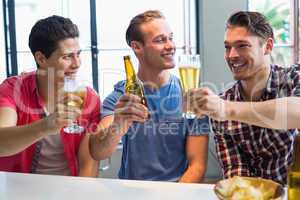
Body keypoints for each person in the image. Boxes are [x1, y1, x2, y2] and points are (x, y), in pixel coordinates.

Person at [89, 10, 210, 183]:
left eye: (171, 37)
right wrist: (118, 125)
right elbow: (97, 151)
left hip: (177, 192)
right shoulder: (120, 97)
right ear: (137, 47)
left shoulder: (190, 96)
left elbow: (197, 166)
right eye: (161, 40)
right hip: (131, 192)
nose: (170, 45)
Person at [186, 11, 300, 185]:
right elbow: (235, 174)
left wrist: (225, 109)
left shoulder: (293, 78)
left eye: (242, 46)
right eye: (227, 47)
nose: (231, 55)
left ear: (268, 46)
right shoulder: (221, 106)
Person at [0, 15, 100, 177]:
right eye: (67, 56)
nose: (77, 64)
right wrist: (48, 125)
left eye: (78, 54)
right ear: (41, 58)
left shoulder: (89, 98)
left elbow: (88, 164)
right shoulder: (12, 89)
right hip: (17, 189)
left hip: (69, 190)